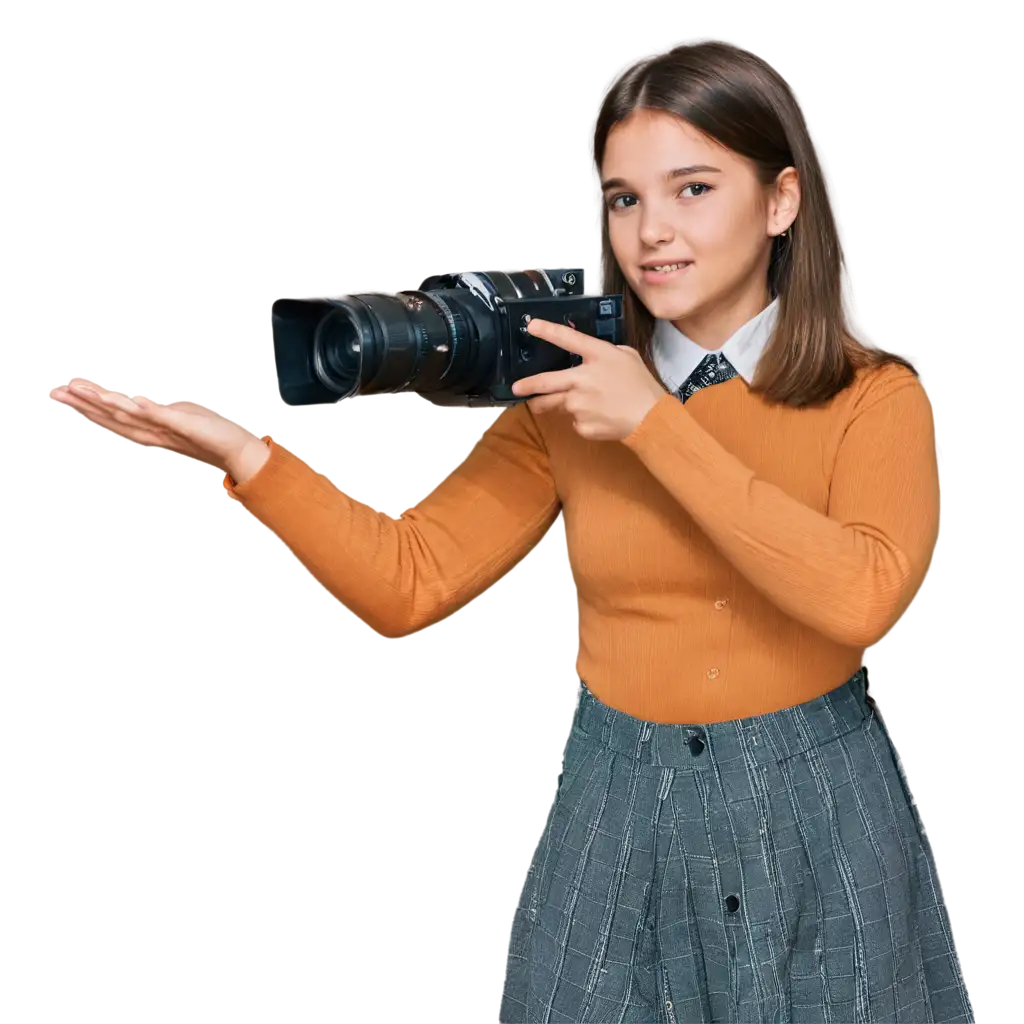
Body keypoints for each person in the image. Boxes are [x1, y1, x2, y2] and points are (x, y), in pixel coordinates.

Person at [48, 34, 973, 1024]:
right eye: (624, 199)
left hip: (812, 807)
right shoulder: (566, 396)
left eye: (692, 189)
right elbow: (408, 580)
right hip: (616, 807)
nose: (651, 231)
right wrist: (247, 462)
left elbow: (859, 594)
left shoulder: (871, 395)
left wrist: (654, 424)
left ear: (780, 202)